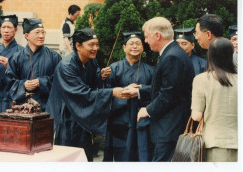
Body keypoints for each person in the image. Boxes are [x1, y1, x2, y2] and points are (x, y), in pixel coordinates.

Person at [46, 28, 127, 162]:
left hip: (81, 116)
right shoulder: (66, 66)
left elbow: (91, 83)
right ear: (78, 45)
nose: (96, 48)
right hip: (65, 116)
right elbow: (82, 93)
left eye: (97, 44)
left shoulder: (91, 61)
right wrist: (112, 92)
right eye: (91, 45)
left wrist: (99, 76)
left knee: (85, 157)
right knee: (68, 158)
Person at [133, 17, 195, 162]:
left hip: (169, 129)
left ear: (157, 36)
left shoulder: (172, 57)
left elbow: (168, 95)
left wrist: (146, 110)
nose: (146, 41)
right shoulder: (172, 53)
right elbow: (168, 87)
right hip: (170, 128)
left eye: (147, 37)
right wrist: (139, 90)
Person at [103, 32, 154, 162]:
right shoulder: (113, 69)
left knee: (141, 156)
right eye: (131, 44)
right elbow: (104, 93)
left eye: (138, 44)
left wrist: (141, 90)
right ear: (124, 47)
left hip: (140, 121)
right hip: (119, 122)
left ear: (142, 47)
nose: (135, 47)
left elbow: (156, 92)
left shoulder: (150, 70)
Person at [191, 37, 237, 162]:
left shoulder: (201, 79)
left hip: (213, 143)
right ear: (232, 54)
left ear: (210, 55)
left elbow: (196, 116)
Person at [5, 18, 61, 111]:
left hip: (48, 108)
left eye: (43, 32)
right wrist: (23, 85)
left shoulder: (54, 57)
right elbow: (8, 83)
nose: (41, 36)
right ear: (27, 35)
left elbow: (61, 80)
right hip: (24, 109)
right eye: (37, 32)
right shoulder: (16, 58)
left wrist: (42, 82)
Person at [0, 15, 24, 118]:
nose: (6, 30)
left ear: (16, 30)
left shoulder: (22, 52)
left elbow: (27, 75)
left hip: (13, 101)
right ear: (0, 30)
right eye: (4, 27)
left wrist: (10, 65)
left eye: (9, 27)